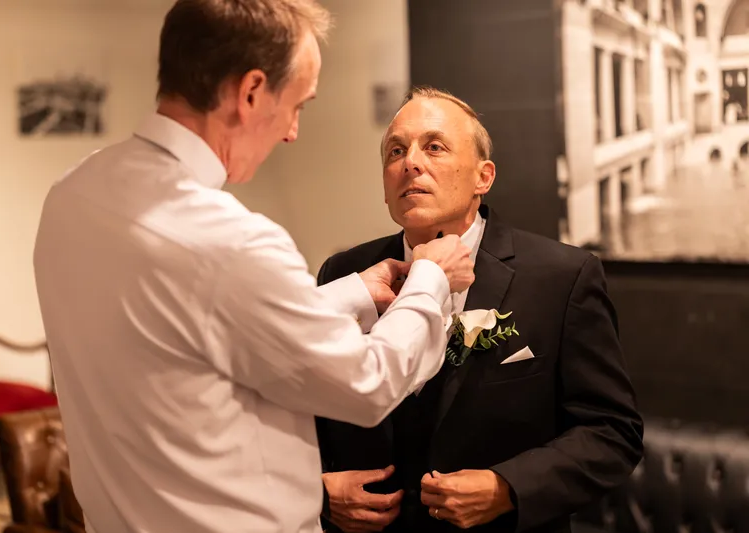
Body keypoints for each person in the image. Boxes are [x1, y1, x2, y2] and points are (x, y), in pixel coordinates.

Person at [31, 3, 476, 533]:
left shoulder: (72, 194)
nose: (291, 132)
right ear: (250, 92)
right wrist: (428, 279)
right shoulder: (232, 241)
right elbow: (366, 385)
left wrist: (355, 292)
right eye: (297, 106)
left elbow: (187, 325)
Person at [315, 87, 644, 532]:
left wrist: (507, 487)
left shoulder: (561, 276)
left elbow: (612, 432)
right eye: (396, 150)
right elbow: (308, 406)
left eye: (434, 146)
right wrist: (319, 492)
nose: (410, 162)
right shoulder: (345, 274)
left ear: (482, 177)